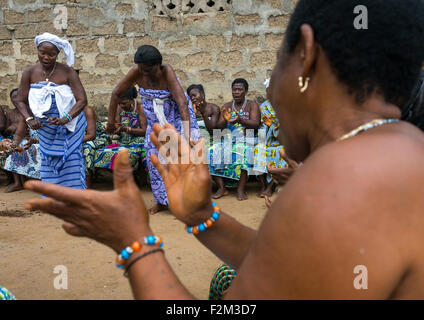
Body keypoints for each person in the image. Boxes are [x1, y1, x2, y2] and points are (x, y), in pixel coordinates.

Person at [24, 0, 424, 299]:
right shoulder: (401, 153)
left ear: (306, 57)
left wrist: (133, 243)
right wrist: (203, 215)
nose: (268, 90)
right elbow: (289, 268)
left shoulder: (332, 183)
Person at [105, 45, 200, 215]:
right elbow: (115, 94)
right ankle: (162, 201)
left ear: (157, 65)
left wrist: (187, 134)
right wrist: (111, 122)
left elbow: (182, 103)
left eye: (147, 70)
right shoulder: (137, 71)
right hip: (155, 121)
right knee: (153, 159)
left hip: (178, 118)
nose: (143, 73)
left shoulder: (167, 72)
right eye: (141, 69)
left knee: (181, 158)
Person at [14, 33, 88, 190]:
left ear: (58, 54)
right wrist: (29, 119)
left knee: (71, 161)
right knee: (48, 162)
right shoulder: (29, 72)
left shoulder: (68, 72)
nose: (46, 57)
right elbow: (19, 100)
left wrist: (66, 118)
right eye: (42, 53)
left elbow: (82, 100)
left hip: (68, 128)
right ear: (37, 50)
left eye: (51, 54)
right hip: (44, 128)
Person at [209, 78, 260, 201]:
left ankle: (240, 189)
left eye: (240, 89)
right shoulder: (227, 106)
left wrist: (240, 120)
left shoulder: (252, 105)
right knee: (212, 150)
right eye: (234, 89)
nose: (236, 92)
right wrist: (225, 119)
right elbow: (218, 127)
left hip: (247, 139)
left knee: (242, 152)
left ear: (246, 91)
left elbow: (256, 124)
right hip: (228, 139)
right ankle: (222, 188)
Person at [93, 87, 147, 175]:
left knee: (127, 156)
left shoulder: (140, 108)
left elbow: (144, 131)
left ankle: (131, 179)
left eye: (124, 103)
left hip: (138, 141)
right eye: (119, 103)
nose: (121, 105)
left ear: (131, 99)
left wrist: (126, 129)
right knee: (101, 153)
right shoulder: (120, 108)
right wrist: (113, 129)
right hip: (123, 141)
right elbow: (118, 125)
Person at [0, 89, 41, 193]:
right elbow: (18, 133)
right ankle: (18, 183)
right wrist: (14, 143)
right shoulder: (20, 114)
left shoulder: (37, 110)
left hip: (43, 140)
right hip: (26, 140)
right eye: (14, 97)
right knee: (16, 149)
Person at [253, 79, 287, 197]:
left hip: (284, 140)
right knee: (259, 149)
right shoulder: (264, 107)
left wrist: (274, 126)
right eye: (269, 90)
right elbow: (262, 127)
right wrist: (262, 141)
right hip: (268, 139)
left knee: (283, 152)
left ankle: (272, 185)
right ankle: (263, 185)